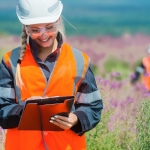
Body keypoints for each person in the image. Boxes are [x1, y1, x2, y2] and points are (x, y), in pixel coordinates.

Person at [0, 0, 103, 150]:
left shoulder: (80, 61)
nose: (43, 35)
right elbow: (2, 109)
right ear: (26, 29)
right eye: (35, 29)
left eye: (49, 27)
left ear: (59, 21)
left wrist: (76, 118)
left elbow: (93, 107)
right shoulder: (10, 62)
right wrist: (25, 110)